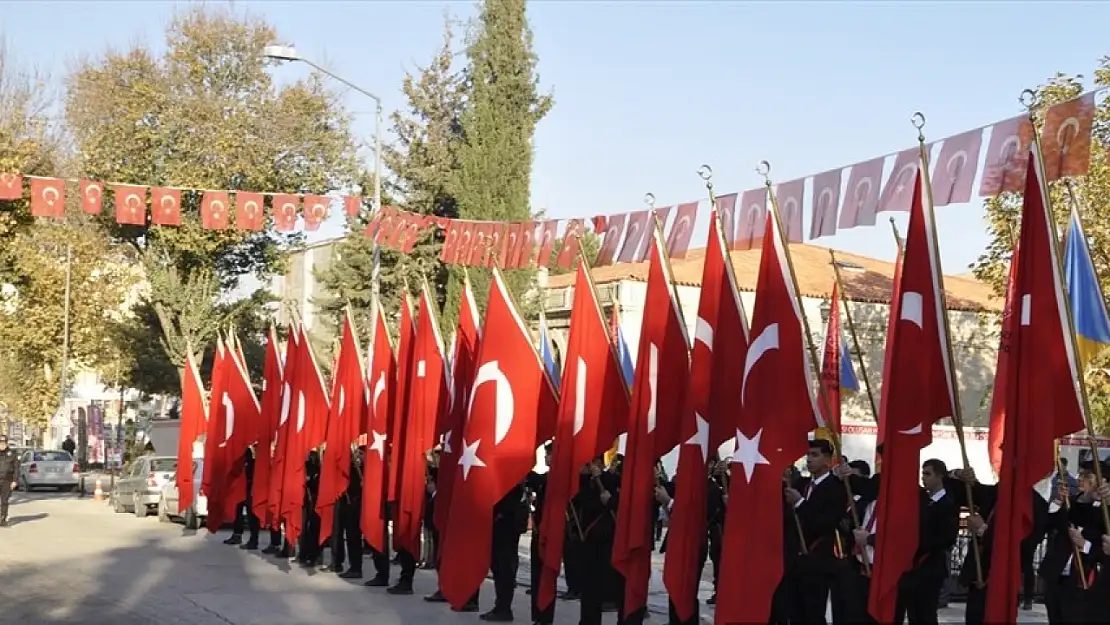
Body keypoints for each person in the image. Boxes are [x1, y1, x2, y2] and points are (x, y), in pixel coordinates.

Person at [783, 439, 848, 625]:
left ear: (828, 459)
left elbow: (825, 523)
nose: (809, 459)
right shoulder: (801, 484)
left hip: (818, 561)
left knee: (812, 613)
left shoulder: (835, 488)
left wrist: (800, 503)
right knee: (794, 613)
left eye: (815, 455)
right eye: (808, 455)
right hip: (795, 560)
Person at [0, 435, 17, 527]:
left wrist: (15, 481)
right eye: (0, 443)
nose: (2, 445)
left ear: (6, 443)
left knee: (4, 501)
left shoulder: (12, 454)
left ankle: (3, 519)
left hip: (7, 481)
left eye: (4, 443)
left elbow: (16, 468)